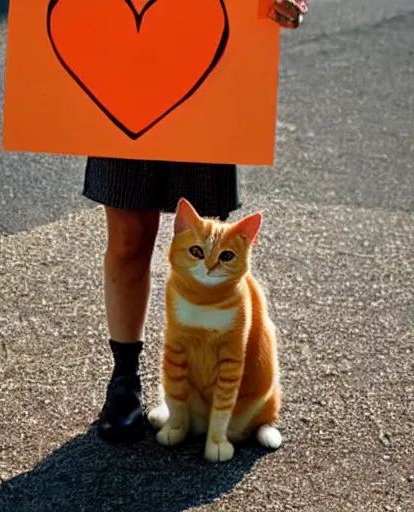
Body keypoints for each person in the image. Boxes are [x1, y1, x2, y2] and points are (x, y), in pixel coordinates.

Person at [82, 1, 309, 443]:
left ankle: (204, 394)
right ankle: (124, 380)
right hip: (118, 44)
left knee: (204, 238)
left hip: (212, 37)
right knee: (129, 238)